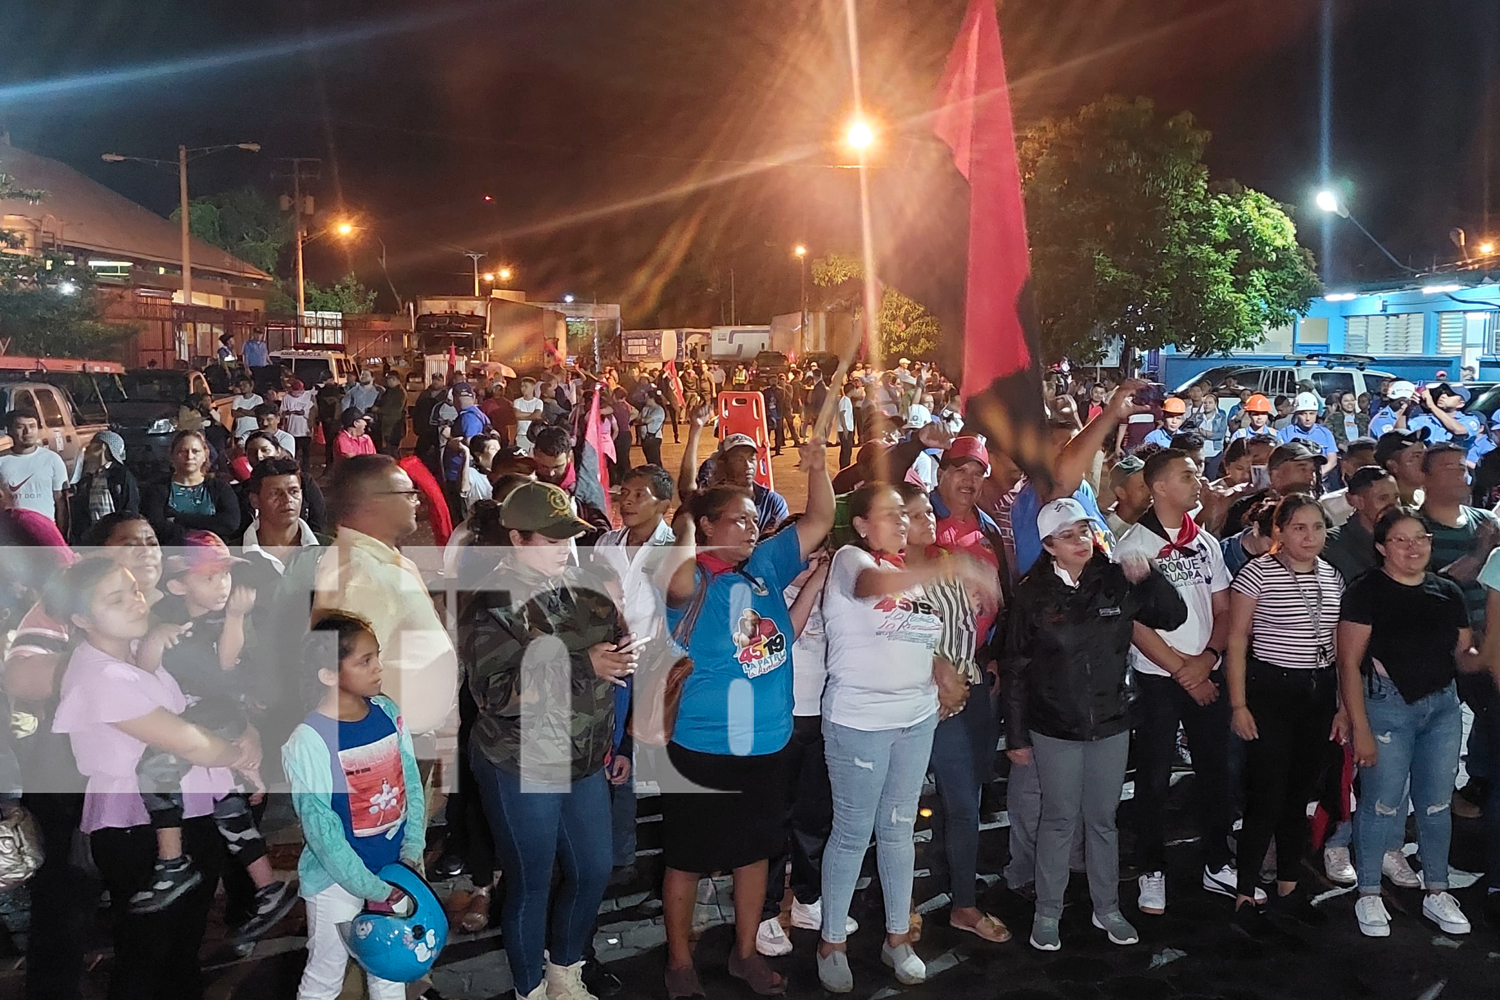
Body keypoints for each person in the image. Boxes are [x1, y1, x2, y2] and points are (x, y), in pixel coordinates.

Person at [658, 441, 833, 1000]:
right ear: (708, 526)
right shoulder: (690, 579)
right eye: (739, 520)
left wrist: (818, 469)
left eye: (756, 520)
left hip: (768, 743)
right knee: (686, 859)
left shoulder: (763, 565)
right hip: (705, 745)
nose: (753, 529)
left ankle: (745, 951)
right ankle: (681, 962)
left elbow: (822, 518)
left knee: (755, 852)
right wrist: (690, 519)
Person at [814, 484, 1000, 991]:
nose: (901, 522)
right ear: (861, 524)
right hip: (861, 721)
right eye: (891, 514)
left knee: (898, 829)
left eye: (906, 514)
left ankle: (898, 938)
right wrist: (952, 566)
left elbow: (917, 637)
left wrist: (941, 669)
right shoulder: (852, 561)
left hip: (915, 718)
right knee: (853, 833)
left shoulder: (909, 579)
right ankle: (832, 941)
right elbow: (869, 587)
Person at [48, 557, 257, 998]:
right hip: (137, 823)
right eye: (116, 599)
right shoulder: (98, 675)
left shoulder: (140, 660)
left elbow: (194, 709)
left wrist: (242, 732)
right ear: (82, 619)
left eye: (135, 591)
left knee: (181, 945)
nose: (136, 602)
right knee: (148, 952)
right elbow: (185, 739)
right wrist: (240, 755)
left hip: (188, 809)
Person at [459, 482, 624, 1000]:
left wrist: (619, 653)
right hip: (520, 761)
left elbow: (610, 635)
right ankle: (529, 990)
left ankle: (565, 975)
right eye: (550, 539)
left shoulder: (577, 584)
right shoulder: (490, 601)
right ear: (515, 538)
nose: (565, 548)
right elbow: (495, 694)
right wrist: (586, 664)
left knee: (594, 870)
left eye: (568, 537)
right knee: (531, 881)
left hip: (583, 755)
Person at [1002, 498, 1187, 951]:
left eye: (1084, 530)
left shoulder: (1116, 579)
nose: (1081, 541)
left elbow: (1171, 615)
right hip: (1055, 724)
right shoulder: (1032, 594)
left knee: (1103, 819)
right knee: (1059, 818)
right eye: (1068, 535)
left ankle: (1107, 908)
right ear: (1048, 546)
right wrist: (1017, 735)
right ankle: (1048, 912)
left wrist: (1149, 576)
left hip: (1111, 719)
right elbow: (1014, 668)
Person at [134, 530, 295, 937]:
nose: (222, 585)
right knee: (230, 809)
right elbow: (146, 670)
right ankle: (268, 885)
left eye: (225, 576)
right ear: (178, 584)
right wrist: (155, 639)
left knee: (154, 772)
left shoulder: (223, 622)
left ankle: (172, 862)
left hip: (215, 713)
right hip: (208, 716)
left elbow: (226, 663)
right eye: (209, 577)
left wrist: (236, 619)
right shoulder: (171, 618)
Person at [1115, 449, 1249, 914]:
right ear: (1159, 487)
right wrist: (1182, 670)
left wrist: (1209, 657)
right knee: (1152, 776)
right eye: (1187, 475)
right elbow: (1134, 625)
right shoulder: (1134, 546)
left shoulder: (1206, 542)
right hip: (1159, 679)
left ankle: (1217, 858)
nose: (1198, 481)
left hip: (1205, 670)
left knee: (1217, 769)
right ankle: (1151, 866)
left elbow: (1224, 606)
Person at [1338, 507, 1479, 937]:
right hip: (1387, 706)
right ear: (1381, 547)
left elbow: (1463, 653)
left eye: (1420, 538)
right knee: (1381, 802)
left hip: (1442, 707)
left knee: (1436, 805)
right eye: (1400, 539)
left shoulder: (1448, 591)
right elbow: (1348, 661)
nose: (1413, 547)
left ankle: (1437, 889)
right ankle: (1368, 894)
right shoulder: (1367, 591)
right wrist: (1359, 725)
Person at [282, 612, 425, 1000]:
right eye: (365, 661)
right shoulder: (309, 741)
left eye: (376, 656)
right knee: (326, 973)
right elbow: (321, 829)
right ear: (328, 674)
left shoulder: (386, 712)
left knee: (390, 967)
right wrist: (370, 887)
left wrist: (411, 852)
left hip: (394, 869)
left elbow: (410, 781)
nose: (379, 667)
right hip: (335, 882)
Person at [895, 482, 1008, 944]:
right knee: (900, 810)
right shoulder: (883, 572)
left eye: (927, 513)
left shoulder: (947, 563)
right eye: (914, 514)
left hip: (967, 697)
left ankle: (963, 902)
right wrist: (937, 678)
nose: (926, 522)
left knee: (965, 804)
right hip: (917, 702)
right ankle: (901, 904)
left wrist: (966, 677)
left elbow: (972, 623)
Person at [1225, 494, 1342, 926]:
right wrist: (1238, 704)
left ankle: (1290, 881)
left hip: (1317, 690)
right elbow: (1237, 641)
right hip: (1271, 690)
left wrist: (1341, 707)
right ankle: (1245, 887)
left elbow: (1338, 646)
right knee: (1267, 794)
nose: (1309, 537)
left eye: (1317, 527)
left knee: (1300, 794)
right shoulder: (1257, 574)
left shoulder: (1333, 576)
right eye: (1298, 527)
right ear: (1278, 532)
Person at [681, 406, 790, 534]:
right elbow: (687, 490)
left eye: (751, 459)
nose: (748, 465)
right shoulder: (712, 500)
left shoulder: (773, 502)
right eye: (739, 459)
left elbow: (777, 541)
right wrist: (695, 431)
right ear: (723, 464)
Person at [142, 430, 241, 545]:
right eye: (182, 451)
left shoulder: (220, 488)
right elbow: (156, 526)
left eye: (195, 451)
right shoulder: (157, 489)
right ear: (172, 455)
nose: (189, 456)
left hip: (213, 555)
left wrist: (179, 519)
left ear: (205, 455)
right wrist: (206, 525)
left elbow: (229, 523)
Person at [1322, 466, 1401, 583]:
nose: (1393, 506)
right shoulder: (1332, 544)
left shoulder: (1408, 538)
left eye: (1396, 497)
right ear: (1357, 501)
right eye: (1383, 498)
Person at [0, 408, 70, 536]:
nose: (27, 432)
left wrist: (62, 537)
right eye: (21, 427)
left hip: (46, 533)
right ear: (9, 431)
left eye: (32, 426)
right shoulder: (2, 461)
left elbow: (61, 502)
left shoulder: (52, 459)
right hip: (11, 536)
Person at [70, 430, 140, 542]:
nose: (86, 449)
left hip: (116, 535)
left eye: (92, 444)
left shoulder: (121, 475)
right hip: (95, 536)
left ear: (102, 447)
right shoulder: (89, 477)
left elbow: (130, 506)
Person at [1277, 392, 1338, 475]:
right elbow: (1280, 462)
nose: (1308, 418)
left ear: (1317, 414)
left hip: (1322, 480)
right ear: (1296, 415)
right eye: (1303, 414)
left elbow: (1332, 460)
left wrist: (1318, 474)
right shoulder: (1285, 434)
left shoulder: (1325, 433)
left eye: (1312, 414)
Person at [1375, 429, 1427, 507]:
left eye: (1426, 455)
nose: (1426, 461)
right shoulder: (1388, 509)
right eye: (1416, 456)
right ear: (1392, 466)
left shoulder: (1425, 498)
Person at [1104, 454, 1149, 537]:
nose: (1149, 490)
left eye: (1149, 484)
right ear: (1121, 493)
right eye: (1142, 486)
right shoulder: (1109, 533)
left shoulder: (1153, 523)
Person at [280, 378, 317, 474]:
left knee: (306, 454)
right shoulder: (287, 397)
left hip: (305, 431)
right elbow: (282, 412)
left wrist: (304, 413)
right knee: (294, 453)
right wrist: (288, 412)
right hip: (292, 431)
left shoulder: (309, 396)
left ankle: (305, 473)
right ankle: (293, 471)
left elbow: (313, 412)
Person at [372, 371, 408, 455]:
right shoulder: (389, 391)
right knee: (387, 450)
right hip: (386, 427)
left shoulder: (400, 393)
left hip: (394, 427)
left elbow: (395, 410)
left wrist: (378, 410)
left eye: (388, 379)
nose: (387, 382)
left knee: (392, 451)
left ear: (394, 379)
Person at [314, 373, 345, 469]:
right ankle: (330, 463)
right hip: (328, 420)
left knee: (333, 442)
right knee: (330, 443)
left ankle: (332, 464)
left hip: (334, 420)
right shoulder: (334, 391)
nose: (325, 382)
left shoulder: (337, 390)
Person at [514, 378, 545, 454]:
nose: (523, 389)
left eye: (526, 386)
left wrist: (522, 415)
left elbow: (537, 415)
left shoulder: (538, 402)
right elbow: (517, 414)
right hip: (521, 434)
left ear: (533, 387)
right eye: (522, 386)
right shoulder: (517, 401)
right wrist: (532, 414)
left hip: (534, 435)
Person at [637, 390, 666, 467]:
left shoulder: (658, 410)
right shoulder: (645, 408)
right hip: (645, 438)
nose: (645, 400)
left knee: (655, 460)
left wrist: (642, 420)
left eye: (646, 398)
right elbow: (638, 419)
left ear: (652, 398)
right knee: (649, 460)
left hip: (653, 438)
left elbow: (646, 420)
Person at [837, 381, 859, 469]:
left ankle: (844, 467)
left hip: (846, 428)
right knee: (846, 450)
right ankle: (844, 467)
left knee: (846, 450)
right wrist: (845, 428)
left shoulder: (847, 400)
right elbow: (842, 414)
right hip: (845, 429)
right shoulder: (845, 400)